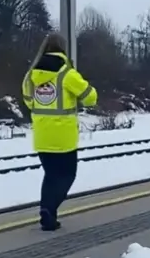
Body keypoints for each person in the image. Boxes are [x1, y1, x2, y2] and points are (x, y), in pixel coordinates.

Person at [22, 32, 97, 231]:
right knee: (67, 175)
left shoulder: (31, 75)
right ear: (63, 49)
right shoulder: (67, 74)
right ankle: (49, 208)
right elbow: (90, 98)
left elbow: (29, 101)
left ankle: (48, 214)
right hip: (64, 137)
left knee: (50, 175)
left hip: (42, 135)